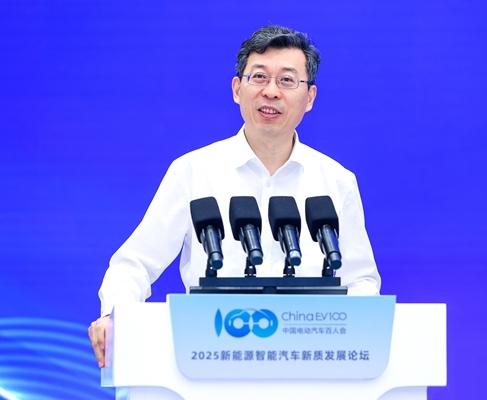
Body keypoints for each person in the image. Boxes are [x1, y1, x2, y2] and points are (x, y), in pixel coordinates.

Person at [88, 25, 381, 368]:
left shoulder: (336, 181)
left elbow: (361, 279)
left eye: (287, 80)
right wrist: (116, 316)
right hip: (208, 360)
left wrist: (354, 332)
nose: (271, 92)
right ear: (237, 89)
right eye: (259, 77)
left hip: (310, 365)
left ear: (310, 97)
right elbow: (134, 263)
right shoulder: (194, 171)